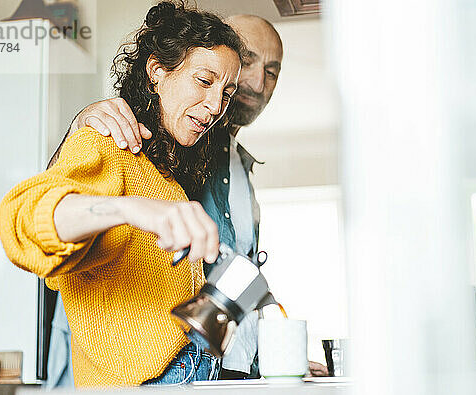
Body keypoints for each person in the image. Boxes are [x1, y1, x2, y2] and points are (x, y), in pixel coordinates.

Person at [49, 13, 329, 380]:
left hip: (219, 369)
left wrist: (267, 356)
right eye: (247, 62)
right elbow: (51, 207)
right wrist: (82, 124)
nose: (258, 82)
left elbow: (226, 275)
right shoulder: (160, 141)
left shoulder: (234, 163)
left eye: (272, 71)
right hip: (148, 371)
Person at [0, 1, 244, 387]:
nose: (216, 106)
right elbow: (24, 222)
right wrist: (130, 208)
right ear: (157, 71)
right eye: (204, 80)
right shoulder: (106, 142)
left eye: (226, 93)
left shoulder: (170, 182)